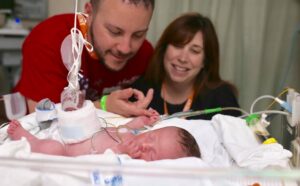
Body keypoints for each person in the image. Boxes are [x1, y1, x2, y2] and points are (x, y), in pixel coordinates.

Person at [14, 0, 155, 117]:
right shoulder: (49, 40)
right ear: (89, 12)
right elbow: (44, 121)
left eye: (138, 35)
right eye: (114, 32)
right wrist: (104, 106)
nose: (125, 48)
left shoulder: (145, 53)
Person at [131, 12, 241, 120]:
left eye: (194, 51)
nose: (183, 58)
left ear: (205, 61)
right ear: (164, 49)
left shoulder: (222, 98)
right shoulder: (139, 91)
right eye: (178, 46)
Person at [7, 116, 201, 161]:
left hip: (66, 151)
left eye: (152, 153)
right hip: (77, 132)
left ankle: (27, 139)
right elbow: (125, 126)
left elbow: (107, 160)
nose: (145, 144)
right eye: (152, 136)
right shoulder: (132, 135)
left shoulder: (128, 158)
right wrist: (142, 121)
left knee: (52, 149)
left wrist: (122, 151)